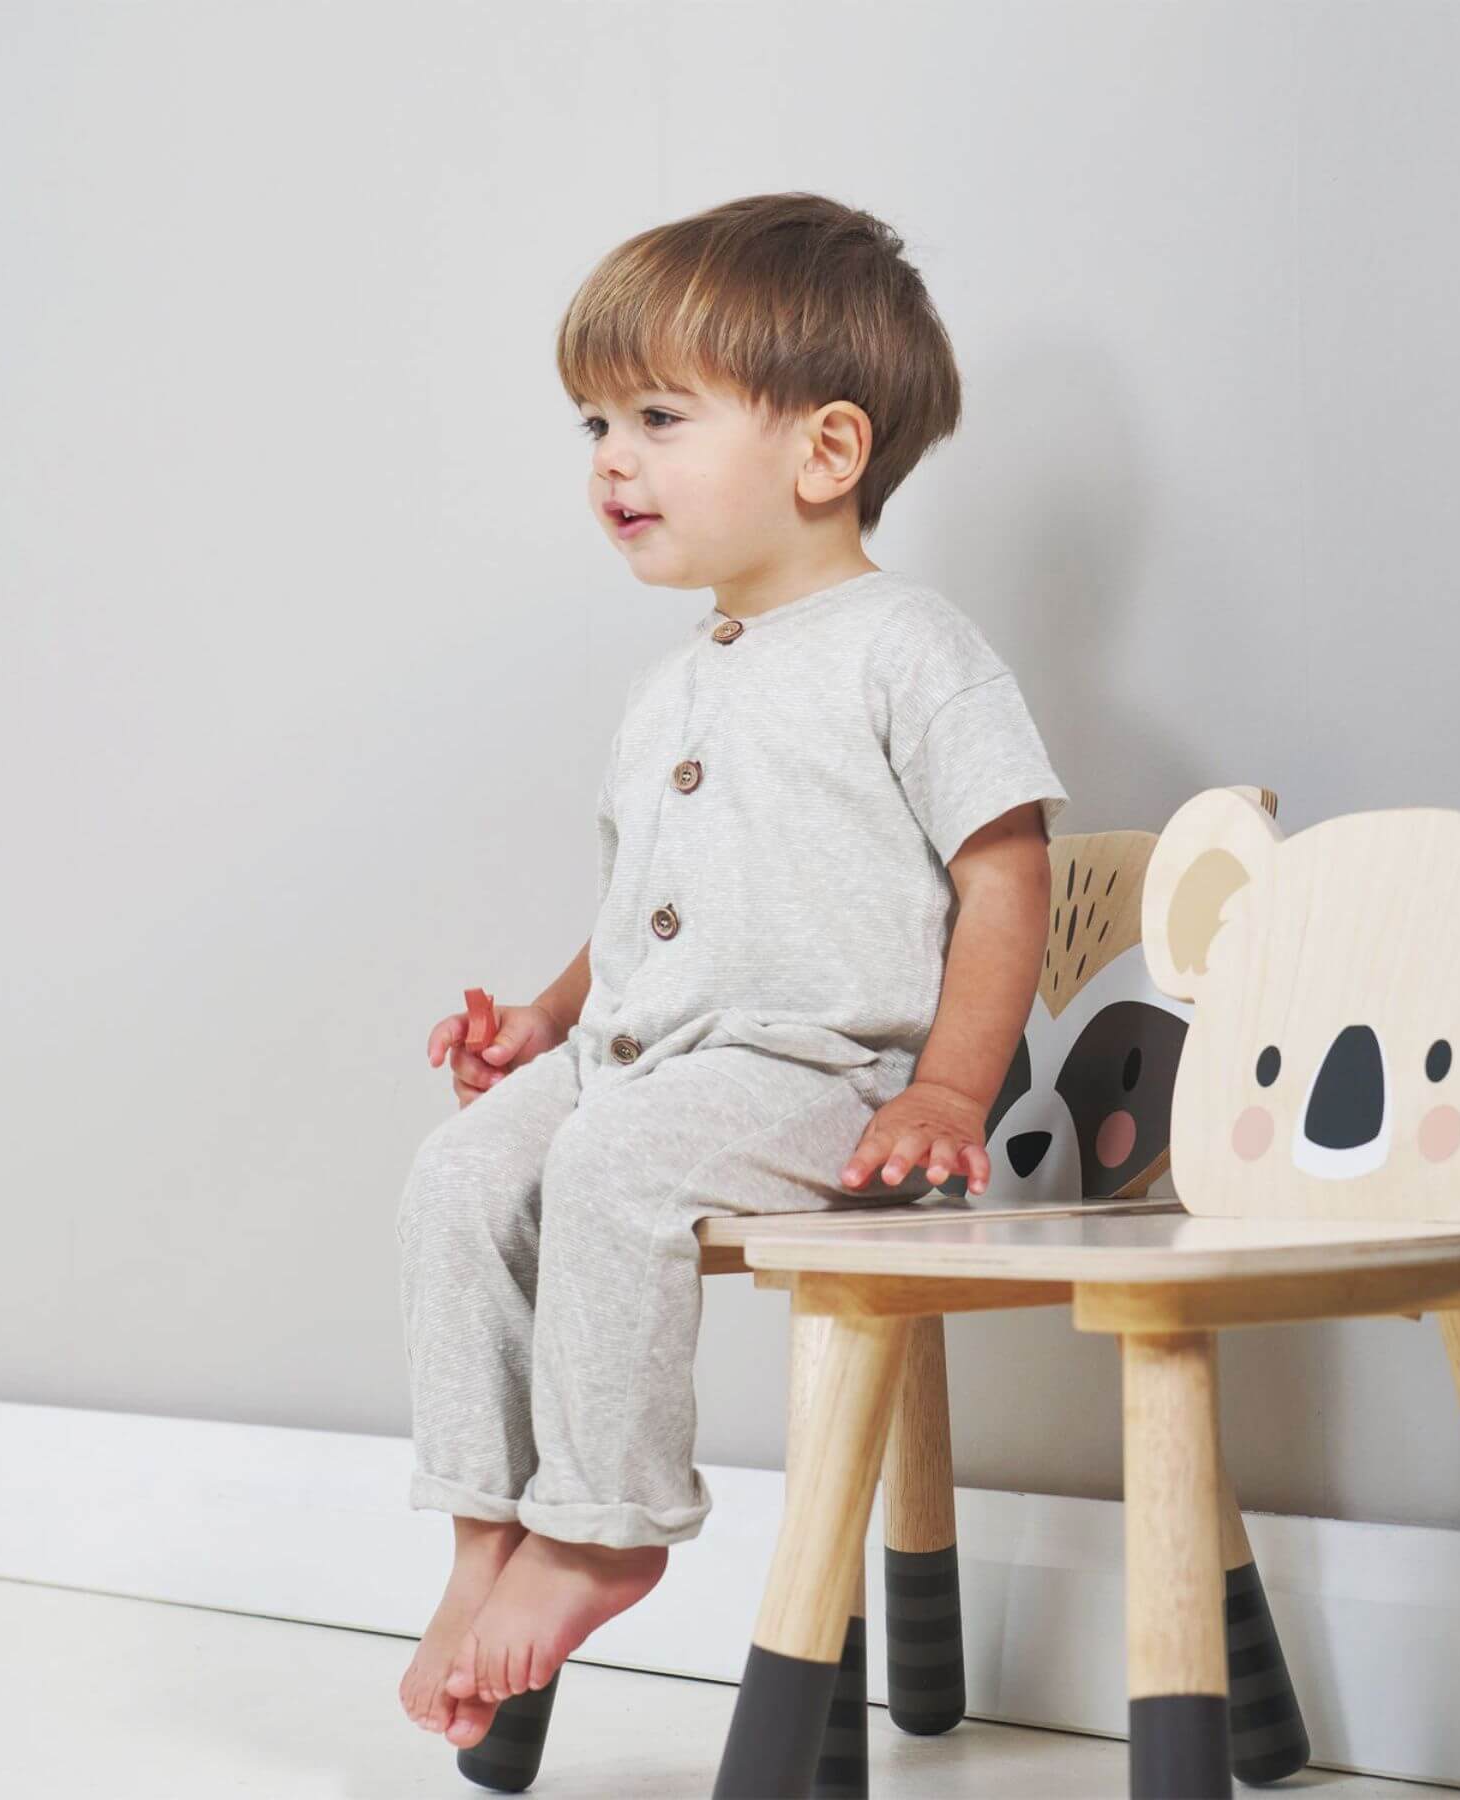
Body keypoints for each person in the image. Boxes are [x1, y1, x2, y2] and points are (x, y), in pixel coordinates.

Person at [395, 191, 1069, 1752]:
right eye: (592, 423)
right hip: (636, 1044)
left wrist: (950, 1084)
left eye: (655, 418)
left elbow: (1006, 868)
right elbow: (641, 896)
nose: (609, 461)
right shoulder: (669, 684)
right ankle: (483, 1532)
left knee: (619, 1170)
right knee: (457, 1177)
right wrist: (546, 1019)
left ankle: (602, 1526)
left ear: (826, 454)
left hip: (809, 1071)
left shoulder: (912, 648)